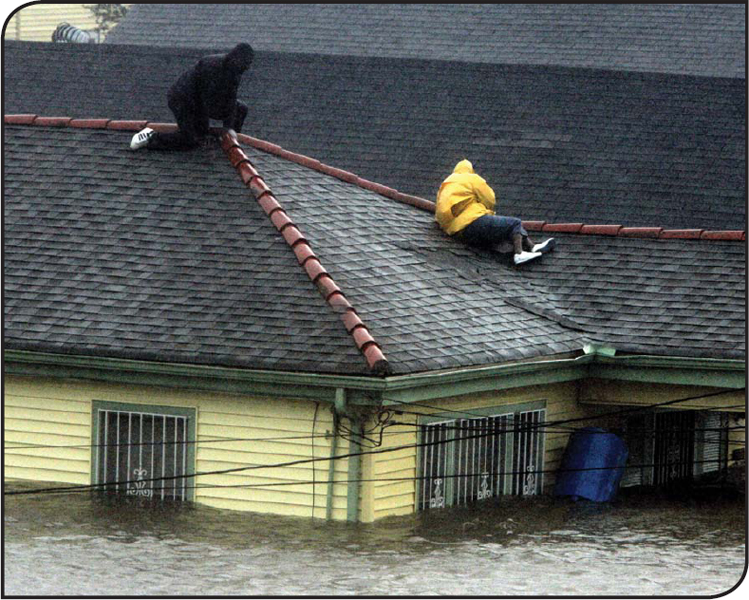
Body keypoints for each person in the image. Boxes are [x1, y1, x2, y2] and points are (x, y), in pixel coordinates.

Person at [130, 43, 254, 151]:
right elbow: (206, 103)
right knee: (189, 140)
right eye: (246, 64)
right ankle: (150, 137)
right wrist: (211, 130)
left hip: (202, 102)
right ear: (235, 59)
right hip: (182, 100)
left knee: (241, 109)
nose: (247, 68)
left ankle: (231, 143)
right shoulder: (211, 66)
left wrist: (230, 131)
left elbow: (230, 101)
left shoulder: (235, 73)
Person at [435, 159, 555, 265]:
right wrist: (488, 211)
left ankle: (532, 247)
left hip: (458, 231)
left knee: (505, 227)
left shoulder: (445, 185)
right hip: (474, 221)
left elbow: (439, 213)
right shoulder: (470, 178)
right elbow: (489, 198)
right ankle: (519, 254)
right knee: (514, 223)